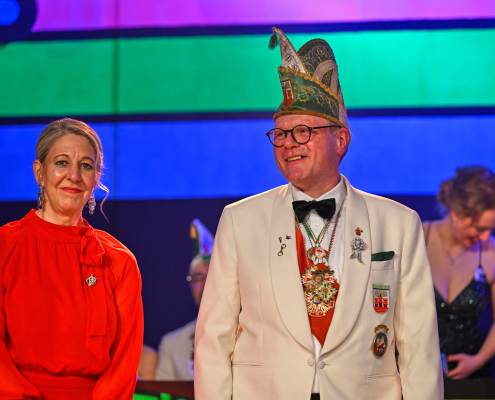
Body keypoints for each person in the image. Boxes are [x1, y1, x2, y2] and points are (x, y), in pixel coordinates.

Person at [194, 28, 443, 400]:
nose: (288, 144)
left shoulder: (398, 224)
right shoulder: (240, 219)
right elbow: (214, 338)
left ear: (340, 140)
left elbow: (419, 345)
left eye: (302, 131)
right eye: (280, 134)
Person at [0, 118, 144, 399]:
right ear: (39, 172)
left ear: (96, 177)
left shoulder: (119, 261)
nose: (74, 176)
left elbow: (124, 363)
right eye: (62, 163)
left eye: (86, 166)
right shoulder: (5, 246)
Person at [423, 166, 495, 379]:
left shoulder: (491, 252)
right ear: (457, 214)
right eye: (480, 228)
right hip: (416, 373)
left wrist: (478, 360)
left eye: (490, 230)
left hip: (472, 377)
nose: (485, 237)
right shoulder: (417, 237)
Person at [155, 219, 213, 380]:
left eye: (212, 275)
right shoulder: (172, 345)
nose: (206, 284)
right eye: (199, 277)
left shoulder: (251, 335)